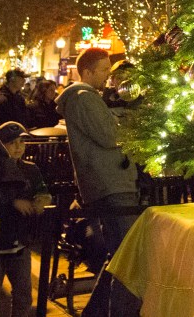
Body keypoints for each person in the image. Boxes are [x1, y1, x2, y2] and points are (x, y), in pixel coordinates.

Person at [58, 48, 141, 311]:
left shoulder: (87, 99)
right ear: (87, 72)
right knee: (127, 257)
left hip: (109, 181)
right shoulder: (84, 98)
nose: (108, 75)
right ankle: (117, 311)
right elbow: (107, 135)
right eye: (104, 70)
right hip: (111, 182)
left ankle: (97, 311)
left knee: (118, 256)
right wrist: (128, 124)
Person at [0, 122, 51, 317]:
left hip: (20, 242)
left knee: (24, 296)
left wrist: (42, 199)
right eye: (12, 143)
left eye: (21, 142)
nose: (18, 147)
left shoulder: (30, 169)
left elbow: (42, 191)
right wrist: (12, 204)